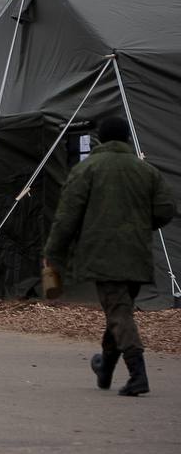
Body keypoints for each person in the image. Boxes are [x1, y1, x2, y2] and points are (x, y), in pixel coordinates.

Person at [44, 116, 176, 397]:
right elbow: (166, 208)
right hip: (137, 255)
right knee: (119, 310)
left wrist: (53, 254)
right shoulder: (146, 170)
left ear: (100, 140)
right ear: (127, 139)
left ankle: (138, 375)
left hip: (103, 256)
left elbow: (66, 217)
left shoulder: (88, 169)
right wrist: (141, 224)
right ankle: (104, 368)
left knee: (118, 311)